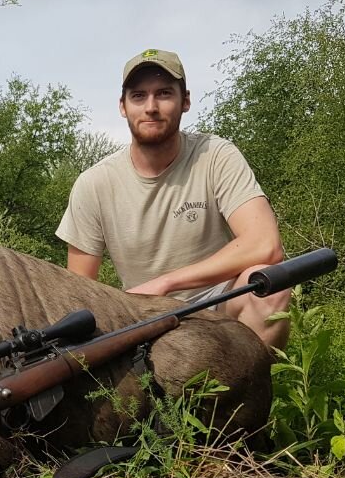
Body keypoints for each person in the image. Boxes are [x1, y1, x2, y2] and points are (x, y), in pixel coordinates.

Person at [56, 48, 290, 348]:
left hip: (220, 303)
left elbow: (265, 245)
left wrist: (167, 283)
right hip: (141, 314)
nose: (151, 107)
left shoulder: (216, 155)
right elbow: (79, 290)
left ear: (186, 101)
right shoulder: (94, 183)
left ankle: (254, 392)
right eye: (138, 96)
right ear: (123, 106)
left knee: (269, 284)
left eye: (164, 93)